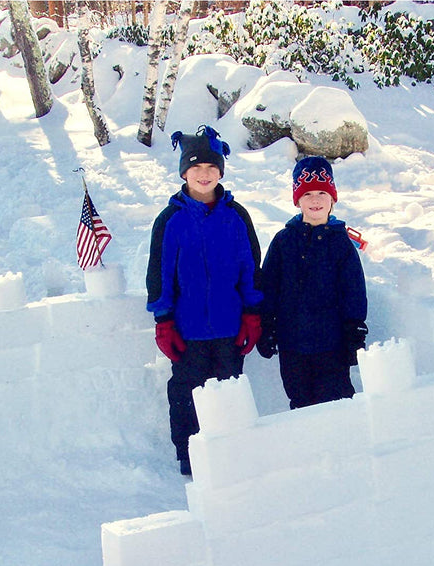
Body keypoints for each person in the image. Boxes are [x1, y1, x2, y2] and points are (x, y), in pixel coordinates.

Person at [146, 125, 263, 476]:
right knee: (186, 390)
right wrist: (163, 320)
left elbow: (249, 266)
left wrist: (253, 313)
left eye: (211, 168)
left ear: (221, 172)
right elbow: (159, 273)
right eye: (196, 168)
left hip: (229, 326)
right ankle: (189, 453)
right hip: (188, 329)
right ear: (184, 172)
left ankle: (232, 450)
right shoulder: (171, 220)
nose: (204, 175)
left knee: (229, 388)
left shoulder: (236, 216)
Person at [257, 155, 368, 409]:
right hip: (292, 345)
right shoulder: (284, 241)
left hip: (332, 345)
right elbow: (269, 286)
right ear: (297, 200)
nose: (315, 200)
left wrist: (354, 330)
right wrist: (266, 326)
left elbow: (353, 291)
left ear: (332, 198)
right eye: (307, 194)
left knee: (337, 403)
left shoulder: (341, 244)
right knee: (301, 404)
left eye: (321, 192)